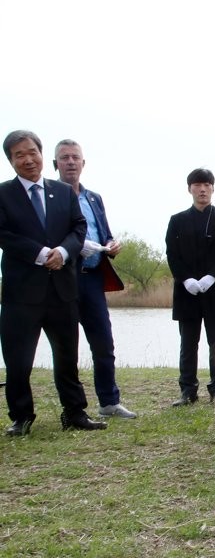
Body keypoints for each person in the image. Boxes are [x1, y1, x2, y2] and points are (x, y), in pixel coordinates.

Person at [0, 130, 106, 435]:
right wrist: (38, 252)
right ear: (11, 160)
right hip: (22, 292)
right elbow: (3, 233)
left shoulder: (61, 192)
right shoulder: (4, 194)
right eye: (19, 154)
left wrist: (63, 250)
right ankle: (21, 417)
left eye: (32, 152)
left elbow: (78, 227)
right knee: (18, 360)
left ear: (41, 155)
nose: (28, 159)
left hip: (62, 289)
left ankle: (74, 412)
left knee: (66, 356)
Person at [52, 139, 135, 419]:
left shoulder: (93, 198)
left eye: (76, 157)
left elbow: (105, 231)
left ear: (83, 163)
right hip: (64, 279)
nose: (71, 162)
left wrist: (111, 244)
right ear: (56, 165)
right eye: (65, 158)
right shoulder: (50, 197)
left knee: (103, 341)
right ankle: (73, 407)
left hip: (93, 279)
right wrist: (74, 247)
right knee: (67, 346)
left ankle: (109, 402)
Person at [165, 168, 215, 406]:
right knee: (188, 343)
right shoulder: (177, 221)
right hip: (188, 291)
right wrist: (186, 279)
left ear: (213, 188)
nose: (202, 189)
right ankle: (187, 390)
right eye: (197, 185)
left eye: (207, 184)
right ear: (190, 189)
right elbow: (172, 255)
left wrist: (212, 277)